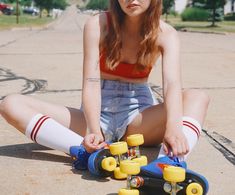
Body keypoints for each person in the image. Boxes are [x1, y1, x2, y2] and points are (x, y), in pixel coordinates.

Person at [0, 0, 209, 169]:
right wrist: (92, 129)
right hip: (97, 113)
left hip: (139, 118)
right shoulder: (97, 24)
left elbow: (172, 84)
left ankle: (167, 163)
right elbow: (90, 81)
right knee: (10, 104)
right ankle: (85, 152)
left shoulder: (166, 34)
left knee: (198, 97)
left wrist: (173, 127)